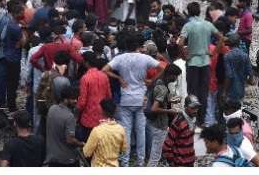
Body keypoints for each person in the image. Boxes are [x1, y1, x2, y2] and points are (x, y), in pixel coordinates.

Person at [103, 32, 162, 166]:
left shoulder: (120, 58)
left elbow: (104, 70)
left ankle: (125, 163)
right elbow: (163, 67)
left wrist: (119, 78)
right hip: (141, 98)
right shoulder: (144, 58)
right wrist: (151, 81)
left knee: (126, 132)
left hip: (126, 99)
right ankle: (141, 162)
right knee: (140, 131)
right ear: (138, 45)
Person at [176, 1, 223, 125]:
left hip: (192, 63)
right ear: (199, 12)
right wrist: (214, 52)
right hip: (205, 62)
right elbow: (221, 38)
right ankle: (201, 121)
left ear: (189, 12)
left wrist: (184, 55)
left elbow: (180, 43)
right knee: (203, 93)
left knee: (192, 92)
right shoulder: (207, 24)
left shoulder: (188, 25)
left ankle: (192, 120)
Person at [146, 63, 182, 166]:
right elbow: (154, 108)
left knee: (155, 153)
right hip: (160, 125)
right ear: (170, 75)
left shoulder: (158, 82)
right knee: (155, 156)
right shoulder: (163, 88)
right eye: (176, 76)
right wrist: (170, 111)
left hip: (154, 123)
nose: (176, 78)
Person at [45, 86, 84, 166]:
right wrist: (81, 144)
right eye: (73, 99)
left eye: (76, 98)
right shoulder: (69, 117)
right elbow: (70, 140)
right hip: (67, 160)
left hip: (52, 158)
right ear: (65, 99)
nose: (76, 101)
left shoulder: (52, 109)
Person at [77, 53, 112, 141]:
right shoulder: (104, 76)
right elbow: (109, 96)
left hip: (89, 117)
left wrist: (76, 113)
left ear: (87, 63)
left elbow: (82, 102)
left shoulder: (85, 78)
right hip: (103, 116)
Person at [83, 98, 128, 167]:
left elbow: (86, 153)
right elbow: (124, 149)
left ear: (102, 111)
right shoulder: (121, 129)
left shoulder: (97, 131)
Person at [162, 95, 201, 167]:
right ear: (186, 107)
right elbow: (167, 145)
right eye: (192, 108)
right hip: (179, 163)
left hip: (190, 161)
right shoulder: (178, 122)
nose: (195, 110)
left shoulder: (193, 119)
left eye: (196, 108)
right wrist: (171, 163)